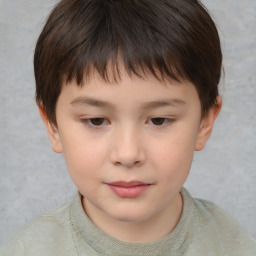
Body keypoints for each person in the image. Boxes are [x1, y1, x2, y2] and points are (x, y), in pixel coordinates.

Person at [1, 0, 255, 255]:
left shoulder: (232, 246)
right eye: (96, 120)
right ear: (52, 125)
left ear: (205, 123)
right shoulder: (28, 250)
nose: (128, 154)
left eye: (158, 120)